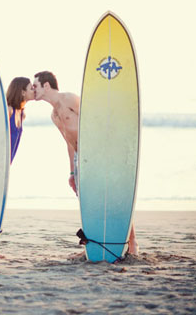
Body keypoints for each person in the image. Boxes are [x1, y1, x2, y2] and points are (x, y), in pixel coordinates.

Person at [32, 70, 138, 256]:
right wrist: (72, 172)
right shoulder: (54, 116)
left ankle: (132, 242)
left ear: (46, 85)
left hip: (97, 154)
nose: (33, 90)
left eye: (35, 86)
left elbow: (97, 120)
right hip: (80, 157)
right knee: (87, 201)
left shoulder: (70, 99)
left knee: (112, 196)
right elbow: (69, 142)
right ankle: (95, 241)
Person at [0, 77, 35, 258]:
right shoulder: (8, 110)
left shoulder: (22, 113)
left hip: (6, 166)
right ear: (22, 91)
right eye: (30, 88)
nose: (33, 90)